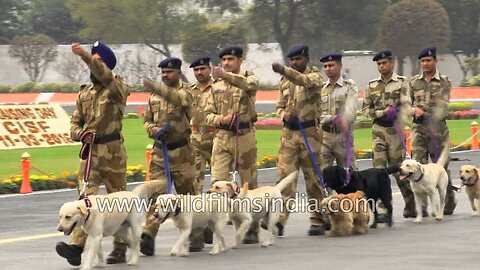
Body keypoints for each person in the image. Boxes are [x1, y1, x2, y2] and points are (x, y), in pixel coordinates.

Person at [55, 41, 130, 266]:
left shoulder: (117, 88)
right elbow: (74, 122)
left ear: (106, 66)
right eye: (91, 62)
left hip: (112, 152)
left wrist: (86, 56)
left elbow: (105, 76)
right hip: (90, 154)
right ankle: (77, 247)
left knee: (117, 201)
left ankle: (120, 248)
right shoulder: (84, 93)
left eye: (97, 63)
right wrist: (81, 134)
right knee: (84, 200)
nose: (92, 67)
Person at [140, 57, 204, 254]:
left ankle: (195, 234)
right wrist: (154, 130)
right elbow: (146, 121)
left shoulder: (187, 92)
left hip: (182, 152)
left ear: (178, 72)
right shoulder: (154, 97)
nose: (165, 75)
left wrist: (156, 86)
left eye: (169, 72)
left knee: (188, 195)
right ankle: (148, 235)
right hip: (161, 152)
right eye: (163, 73)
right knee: (157, 195)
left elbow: (179, 100)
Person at [204, 45, 260, 243]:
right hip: (221, 137)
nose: (226, 63)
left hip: (244, 136)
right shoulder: (215, 86)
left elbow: (250, 86)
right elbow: (207, 115)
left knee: (248, 183)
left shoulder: (248, 77)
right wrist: (221, 119)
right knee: (216, 183)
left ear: (240, 60)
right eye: (224, 60)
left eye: (231, 59)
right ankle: (211, 224)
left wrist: (227, 76)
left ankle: (252, 227)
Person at [272, 44, 326, 236]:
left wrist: (284, 70)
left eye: (298, 59)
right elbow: (279, 106)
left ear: (306, 59)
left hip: (310, 133)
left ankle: (318, 219)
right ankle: (279, 219)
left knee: (313, 179)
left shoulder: (315, 76)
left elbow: (303, 81)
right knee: (285, 178)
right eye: (292, 60)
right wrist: (283, 115)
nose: (295, 63)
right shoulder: (284, 81)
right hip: (288, 135)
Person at [362, 49, 416, 219]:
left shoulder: (402, 83)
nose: (381, 66)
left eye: (384, 63)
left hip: (395, 130)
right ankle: (383, 208)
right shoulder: (372, 86)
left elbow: (407, 105)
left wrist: (397, 112)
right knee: (379, 171)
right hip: (378, 130)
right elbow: (365, 110)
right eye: (379, 64)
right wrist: (380, 113)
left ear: (392, 63)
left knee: (398, 169)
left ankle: (411, 202)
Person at [406, 46, 456, 215]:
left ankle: (448, 200)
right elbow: (407, 104)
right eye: (422, 61)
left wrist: (426, 113)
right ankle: (423, 207)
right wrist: (414, 111)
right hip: (419, 130)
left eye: (428, 60)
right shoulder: (413, 82)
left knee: (441, 168)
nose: (425, 64)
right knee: (417, 165)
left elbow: (443, 105)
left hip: (438, 130)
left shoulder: (444, 81)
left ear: (435, 61)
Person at [319, 53, 358, 170]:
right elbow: (316, 113)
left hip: (343, 137)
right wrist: (330, 118)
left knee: (349, 174)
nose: (328, 69)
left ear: (340, 66)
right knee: (323, 175)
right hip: (325, 136)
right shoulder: (321, 89)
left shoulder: (349, 86)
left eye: (331, 65)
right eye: (325, 66)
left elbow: (351, 110)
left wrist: (343, 119)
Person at [189, 56, 216, 192]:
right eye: (196, 70)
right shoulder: (190, 90)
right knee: (194, 179)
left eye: (202, 69)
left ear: (209, 69)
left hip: (214, 136)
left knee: (219, 178)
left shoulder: (218, 87)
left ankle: (221, 210)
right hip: (195, 137)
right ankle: (197, 210)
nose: (199, 72)